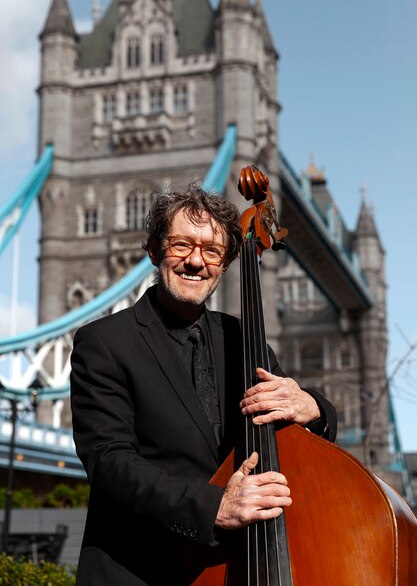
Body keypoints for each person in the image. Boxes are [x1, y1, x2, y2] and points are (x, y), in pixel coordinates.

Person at [70, 184, 337, 585]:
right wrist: (214, 507)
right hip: (141, 570)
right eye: (181, 245)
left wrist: (312, 408)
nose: (196, 261)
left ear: (225, 265)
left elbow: (295, 442)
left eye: (211, 251)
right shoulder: (104, 342)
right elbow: (109, 462)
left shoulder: (247, 342)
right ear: (154, 251)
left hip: (239, 566)